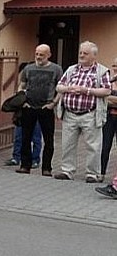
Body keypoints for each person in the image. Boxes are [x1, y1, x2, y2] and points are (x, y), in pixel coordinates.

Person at [54, 41, 111, 182]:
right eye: (80, 53)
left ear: (94, 56)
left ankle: (92, 174)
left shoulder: (101, 71)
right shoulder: (72, 69)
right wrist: (69, 88)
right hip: (70, 114)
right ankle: (67, 171)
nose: (81, 55)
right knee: (67, 144)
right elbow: (59, 87)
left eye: (85, 53)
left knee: (93, 146)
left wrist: (87, 91)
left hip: (90, 114)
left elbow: (107, 90)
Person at [16, 45, 63, 176]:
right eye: (37, 54)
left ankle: (47, 168)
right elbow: (22, 85)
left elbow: (61, 88)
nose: (38, 57)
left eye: (41, 54)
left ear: (49, 55)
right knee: (26, 137)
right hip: (29, 107)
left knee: (48, 139)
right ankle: (25, 165)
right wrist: (22, 100)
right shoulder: (28, 68)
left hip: (46, 108)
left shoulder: (56, 69)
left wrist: (53, 103)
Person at [101, 57, 117, 178]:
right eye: (114, 65)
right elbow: (102, 98)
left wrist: (109, 99)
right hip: (108, 118)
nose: (115, 68)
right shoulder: (109, 82)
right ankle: (101, 173)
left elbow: (106, 98)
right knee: (105, 146)